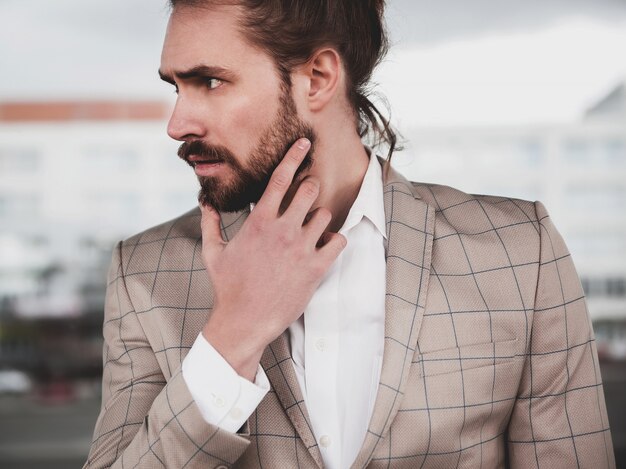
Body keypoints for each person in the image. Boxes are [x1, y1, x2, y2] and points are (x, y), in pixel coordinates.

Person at [84, 1, 615, 468]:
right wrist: (232, 336)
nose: (177, 124)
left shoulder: (522, 255)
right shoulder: (144, 272)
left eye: (211, 82)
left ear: (317, 77)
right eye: (176, 87)